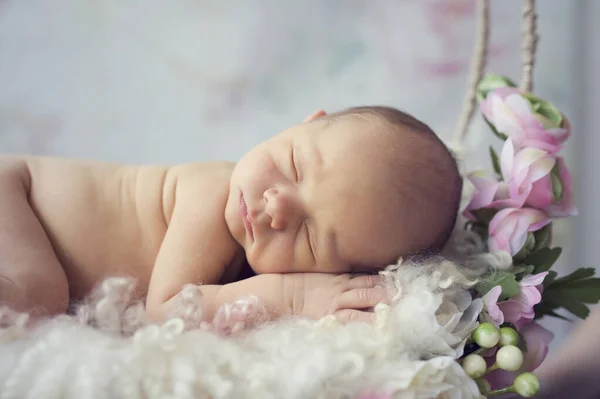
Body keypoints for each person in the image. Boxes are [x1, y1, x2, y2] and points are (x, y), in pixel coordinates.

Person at [0, 106, 462, 324]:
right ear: (305, 121)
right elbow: (168, 313)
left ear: (336, 272)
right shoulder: (210, 192)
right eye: (295, 166)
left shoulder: (244, 255)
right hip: (16, 192)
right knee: (35, 292)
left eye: (312, 237)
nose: (277, 206)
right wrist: (296, 296)